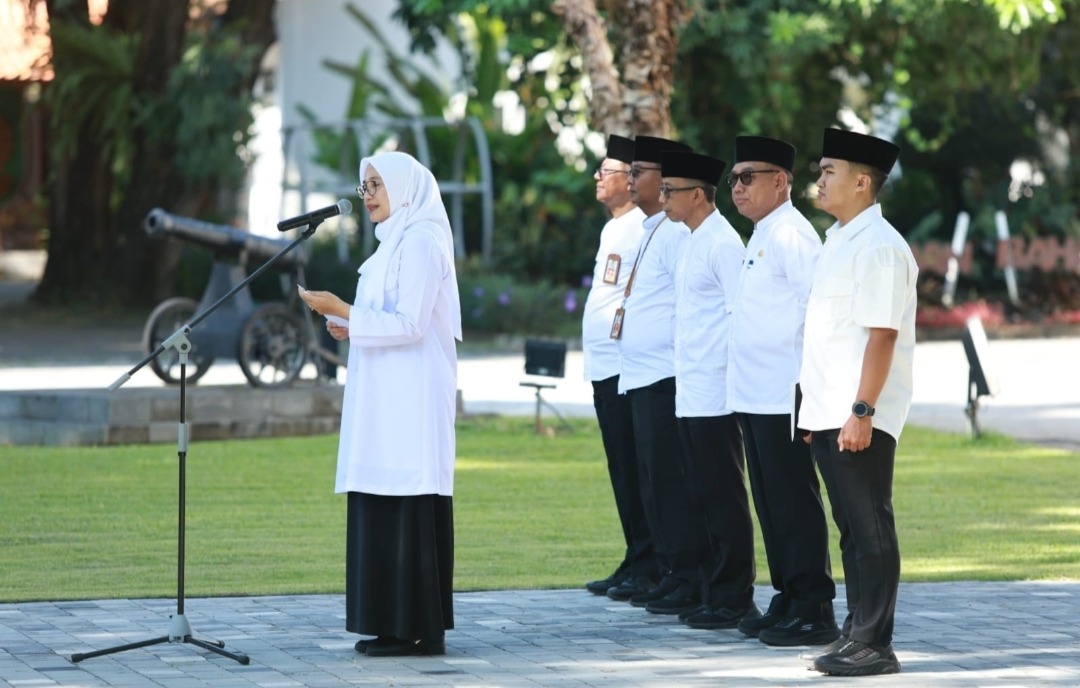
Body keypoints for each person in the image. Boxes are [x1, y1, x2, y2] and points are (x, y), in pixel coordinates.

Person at [298, 151, 462, 658]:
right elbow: (382, 318)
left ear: (403, 187)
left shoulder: (422, 242)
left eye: (375, 185)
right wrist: (349, 324)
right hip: (382, 397)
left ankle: (421, 629)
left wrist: (345, 311)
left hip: (412, 399)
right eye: (363, 186)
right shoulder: (391, 244)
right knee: (380, 498)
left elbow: (410, 324)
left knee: (409, 498)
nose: (366, 195)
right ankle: (392, 625)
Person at [799, 128, 916, 677]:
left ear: (863, 182)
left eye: (830, 171)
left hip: (860, 412)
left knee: (869, 525)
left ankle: (876, 643)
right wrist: (814, 412)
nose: (820, 180)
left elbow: (882, 335)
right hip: (831, 410)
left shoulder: (881, 247)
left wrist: (862, 411)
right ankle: (856, 631)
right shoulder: (838, 240)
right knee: (850, 525)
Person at [725, 136, 840, 647]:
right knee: (770, 501)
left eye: (748, 177)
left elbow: (816, 312)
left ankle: (814, 605)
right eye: (733, 179)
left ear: (780, 181)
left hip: (784, 393)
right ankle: (789, 595)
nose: (737, 187)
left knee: (793, 499)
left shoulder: (792, 234)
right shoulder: (763, 233)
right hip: (755, 393)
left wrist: (810, 388)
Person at [606, 135, 712, 617]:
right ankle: (670, 570)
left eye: (640, 171)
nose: (631, 178)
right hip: (641, 374)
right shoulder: (653, 228)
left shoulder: (675, 233)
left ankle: (687, 574)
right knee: (652, 480)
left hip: (664, 375)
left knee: (671, 481)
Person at [660, 149, 759, 630]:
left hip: (717, 391)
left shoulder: (722, 242)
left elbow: (740, 315)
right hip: (690, 387)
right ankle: (710, 590)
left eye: (670, 191)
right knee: (699, 493)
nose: (663, 199)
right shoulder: (690, 241)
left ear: (697, 194)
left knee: (723, 497)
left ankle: (734, 596)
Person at [581, 134, 656, 596]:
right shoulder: (615, 227)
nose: (597, 177)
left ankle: (649, 562)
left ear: (629, 180)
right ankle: (636, 556)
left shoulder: (640, 227)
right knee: (621, 468)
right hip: (603, 366)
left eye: (605, 171)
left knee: (635, 466)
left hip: (623, 366)